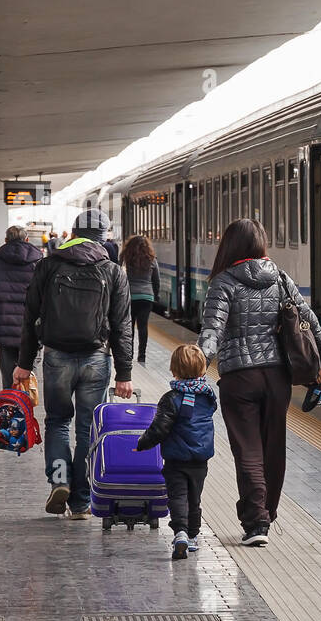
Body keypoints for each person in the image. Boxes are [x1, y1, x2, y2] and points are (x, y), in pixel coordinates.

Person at [197, 219, 321, 546]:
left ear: (229, 246)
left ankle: (256, 521)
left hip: (239, 379)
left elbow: (212, 331)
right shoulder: (281, 279)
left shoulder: (223, 283)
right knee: (273, 447)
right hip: (276, 377)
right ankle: (266, 513)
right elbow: (308, 320)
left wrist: (198, 362)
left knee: (248, 451)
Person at [15, 209, 134, 518]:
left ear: (72, 232)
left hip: (56, 356)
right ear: (105, 237)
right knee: (86, 429)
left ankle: (59, 481)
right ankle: (80, 502)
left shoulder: (48, 265)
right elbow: (122, 325)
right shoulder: (113, 271)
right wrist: (125, 374)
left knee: (57, 422)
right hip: (96, 358)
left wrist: (24, 363)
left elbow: (30, 317)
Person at [136, 345, 216, 560]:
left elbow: (159, 429)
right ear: (202, 372)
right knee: (194, 498)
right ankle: (192, 536)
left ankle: (180, 532)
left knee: (178, 497)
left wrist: (142, 444)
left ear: (174, 371)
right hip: (200, 459)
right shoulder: (208, 396)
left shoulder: (171, 398)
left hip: (175, 459)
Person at [0, 225, 42, 388]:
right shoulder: (40, 263)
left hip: (4, 324)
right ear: (27, 239)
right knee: (29, 370)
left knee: (8, 373)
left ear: (5, 241)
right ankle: (26, 405)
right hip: (32, 324)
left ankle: (11, 406)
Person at [121, 234, 160, 364]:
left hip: (130, 296)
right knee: (143, 327)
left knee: (129, 327)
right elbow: (156, 280)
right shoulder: (152, 260)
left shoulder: (126, 258)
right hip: (146, 297)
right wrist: (155, 295)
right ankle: (142, 356)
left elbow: (119, 275)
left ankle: (129, 354)